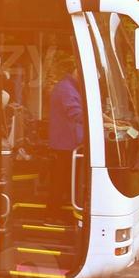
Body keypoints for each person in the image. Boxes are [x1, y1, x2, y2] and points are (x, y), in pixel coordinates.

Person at [46, 49, 85, 209]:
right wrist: (97, 120)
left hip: (68, 141)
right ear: (78, 73)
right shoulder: (67, 89)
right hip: (65, 142)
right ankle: (53, 213)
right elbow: (75, 113)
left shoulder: (70, 86)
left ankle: (62, 207)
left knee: (65, 177)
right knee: (61, 179)